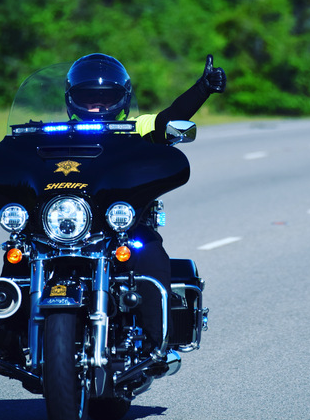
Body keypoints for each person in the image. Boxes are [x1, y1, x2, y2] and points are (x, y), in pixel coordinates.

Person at [65, 53, 226, 352]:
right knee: (19, 256)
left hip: (126, 228)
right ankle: (8, 334)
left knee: (151, 258)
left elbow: (168, 119)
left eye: (106, 98)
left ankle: (155, 345)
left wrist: (202, 89)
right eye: (88, 98)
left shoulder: (138, 128)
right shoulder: (57, 135)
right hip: (69, 228)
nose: (97, 107)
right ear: (72, 99)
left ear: (122, 99)